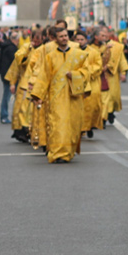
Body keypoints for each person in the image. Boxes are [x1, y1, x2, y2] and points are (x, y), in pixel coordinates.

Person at [30, 27, 89, 164]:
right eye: (61, 36)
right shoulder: (49, 57)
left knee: (73, 125)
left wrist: (74, 75)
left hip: (73, 97)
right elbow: (43, 77)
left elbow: (86, 72)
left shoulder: (79, 55)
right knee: (58, 124)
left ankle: (69, 151)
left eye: (65, 35)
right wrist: (37, 94)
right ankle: (58, 153)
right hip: (56, 97)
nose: (64, 38)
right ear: (56, 39)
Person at [0, 31, 19, 124]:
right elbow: (15, 63)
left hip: (5, 74)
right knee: (8, 96)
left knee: (7, 95)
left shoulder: (6, 46)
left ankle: (5, 115)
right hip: (9, 75)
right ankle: (4, 115)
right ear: (16, 39)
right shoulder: (11, 49)